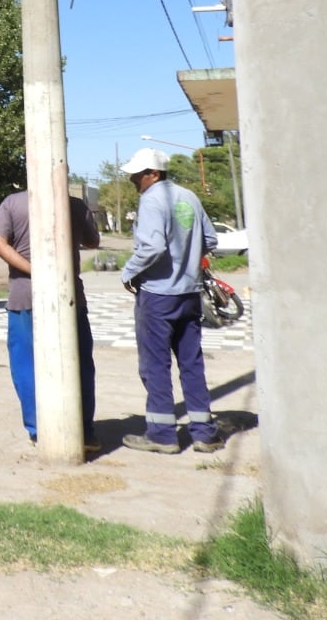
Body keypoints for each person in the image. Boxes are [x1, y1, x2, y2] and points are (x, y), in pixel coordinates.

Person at [118, 147, 224, 454]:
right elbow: (211, 239)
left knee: (156, 365)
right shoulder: (188, 197)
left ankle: (162, 435)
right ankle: (204, 433)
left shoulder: (151, 200)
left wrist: (128, 272)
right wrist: (188, 260)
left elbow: (152, 247)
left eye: (137, 175)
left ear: (153, 174)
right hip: (189, 295)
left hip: (157, 295)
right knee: (191, 363)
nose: (133, 181)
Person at [0, 188, 101, 452]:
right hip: (69, 294)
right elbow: (93, 242)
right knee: (80, 363)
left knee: (26, 363)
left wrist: (34, 270)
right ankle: (84, 431)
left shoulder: (12, 202)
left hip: (25, 295)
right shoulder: (75, 205)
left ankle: (38, 429)